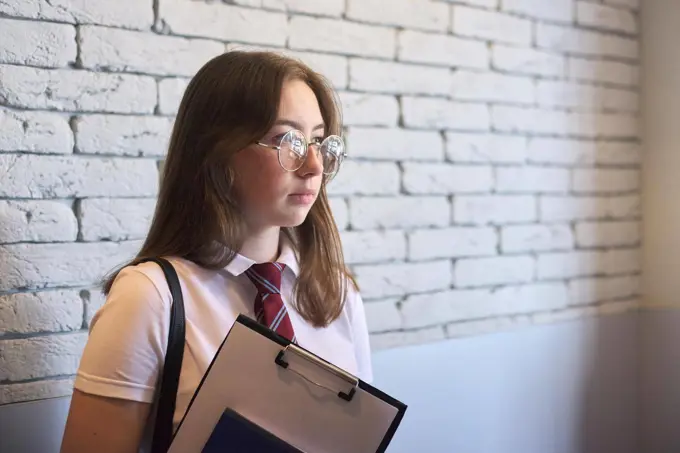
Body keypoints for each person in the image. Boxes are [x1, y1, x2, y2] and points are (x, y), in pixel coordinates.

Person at [60, 51, 373, 453]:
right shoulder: (151, 296)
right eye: (287, 140)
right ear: (218, 152)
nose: (313, 165)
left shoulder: (338, 293)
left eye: (317, 140)